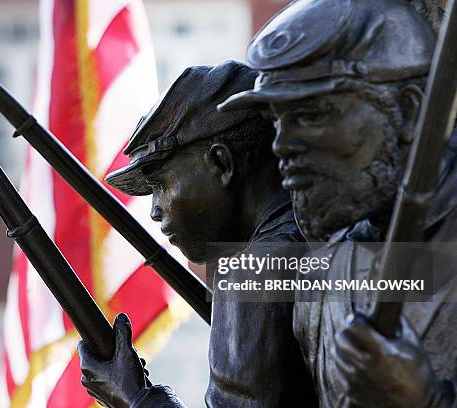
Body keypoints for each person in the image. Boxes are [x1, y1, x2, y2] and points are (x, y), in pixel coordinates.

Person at [220, 0, 456, 406]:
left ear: (409, 110)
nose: (282, 146)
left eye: (310, 116)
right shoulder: (323, 272)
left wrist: (428, 402)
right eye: (277, 121)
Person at [77, 61, 317, 407]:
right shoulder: (339, 239)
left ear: (221, 163)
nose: (155, 209)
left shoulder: (256, 272)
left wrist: (133, 397)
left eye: (161, 184)